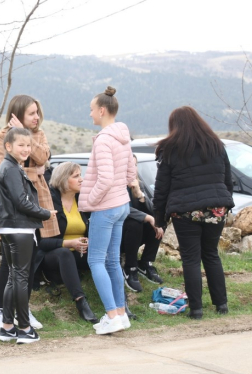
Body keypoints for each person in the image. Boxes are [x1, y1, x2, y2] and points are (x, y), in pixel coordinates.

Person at [153, 106, 234, 320]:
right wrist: (223, 204)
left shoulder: (169, 149)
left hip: (186, 211)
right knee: (211, 254)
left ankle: (196, 310)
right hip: (216, 209)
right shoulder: (216, 145)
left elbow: (162, 188)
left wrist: (159, 218)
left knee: (190, 259)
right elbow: (227, 179)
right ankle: (221, 304)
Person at [0, 94, 60, 335]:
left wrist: (32, 157)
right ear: (17, 113)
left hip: (38, 197)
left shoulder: (38, 135)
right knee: (8, 266)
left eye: (37, 112)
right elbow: (5, 172)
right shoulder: (1, 137)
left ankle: (23, 310)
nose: (36, 117)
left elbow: (44, 159)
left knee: (31, 260)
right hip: (15, 209)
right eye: (31, 113)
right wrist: (34, 170)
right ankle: (0, 312)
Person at [78, 86, 136, 335]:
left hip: (106, 207)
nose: (90, 114)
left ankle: (111, 316)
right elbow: (131, 173)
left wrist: (89, 201)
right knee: (112, 260)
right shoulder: (123, 135)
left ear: (102, 111)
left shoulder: (103, 140)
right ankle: (121, 315)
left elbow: (105, 178)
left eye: (91, 110)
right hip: (122, 204)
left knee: (95, 260)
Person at [36, 162, 98, 323]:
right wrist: (69, 243)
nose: (81, 179)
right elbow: (43, 243)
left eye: (80, 175)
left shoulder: (83, 201)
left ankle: (119, 302)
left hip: (79, 253)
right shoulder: (50, 203)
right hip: (52, 256)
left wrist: (89, 240)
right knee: (64, 254)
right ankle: (81, 301)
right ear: (63, 180)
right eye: (76, 176)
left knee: (103, 252)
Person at [121, 155, 164, 292]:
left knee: (159, 222)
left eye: (134, 165)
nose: (132, 169)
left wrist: (139, 194)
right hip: (119, 234)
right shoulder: (114, 185)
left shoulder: (140, 184)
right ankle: (130, 267)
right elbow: (121, 209)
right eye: (128, 165)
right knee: (136, 223)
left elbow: (154, 210)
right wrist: (147, 217)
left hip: (136, 235)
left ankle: (145, 262)